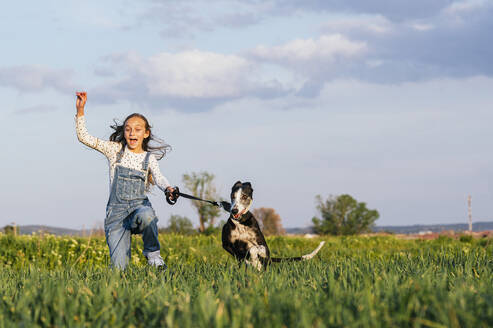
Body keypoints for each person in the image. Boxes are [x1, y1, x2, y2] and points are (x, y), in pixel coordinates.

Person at [75, 91, 175, 270]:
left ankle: (153, 256)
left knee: (147, 215)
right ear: (124, 132)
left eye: (137, 129)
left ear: (146, 133)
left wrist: (168, 188)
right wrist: (81, 110)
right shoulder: (114, 150)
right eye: (128, 129)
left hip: (138, 207)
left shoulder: (148, 158)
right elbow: (85, 138)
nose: (132, 133)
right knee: (119, 271)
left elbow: (159, 177)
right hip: (116, 216)